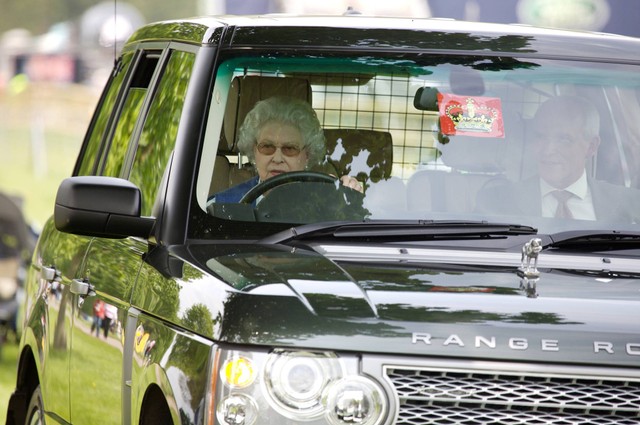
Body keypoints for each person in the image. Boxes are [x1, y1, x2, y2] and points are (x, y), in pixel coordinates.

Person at [475, 95, 640, 222]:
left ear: (591, 146)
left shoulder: (630, 205)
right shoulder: (495, 203)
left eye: (564, 139)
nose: (548, 150)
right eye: (540, 137)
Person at [210, 96, 363, 204]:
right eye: (267, 147)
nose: (277, 158)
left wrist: (350, 203)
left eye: (290, 148)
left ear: (307, 155)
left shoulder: (327, 200)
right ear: (254, 151)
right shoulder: (220, 205)